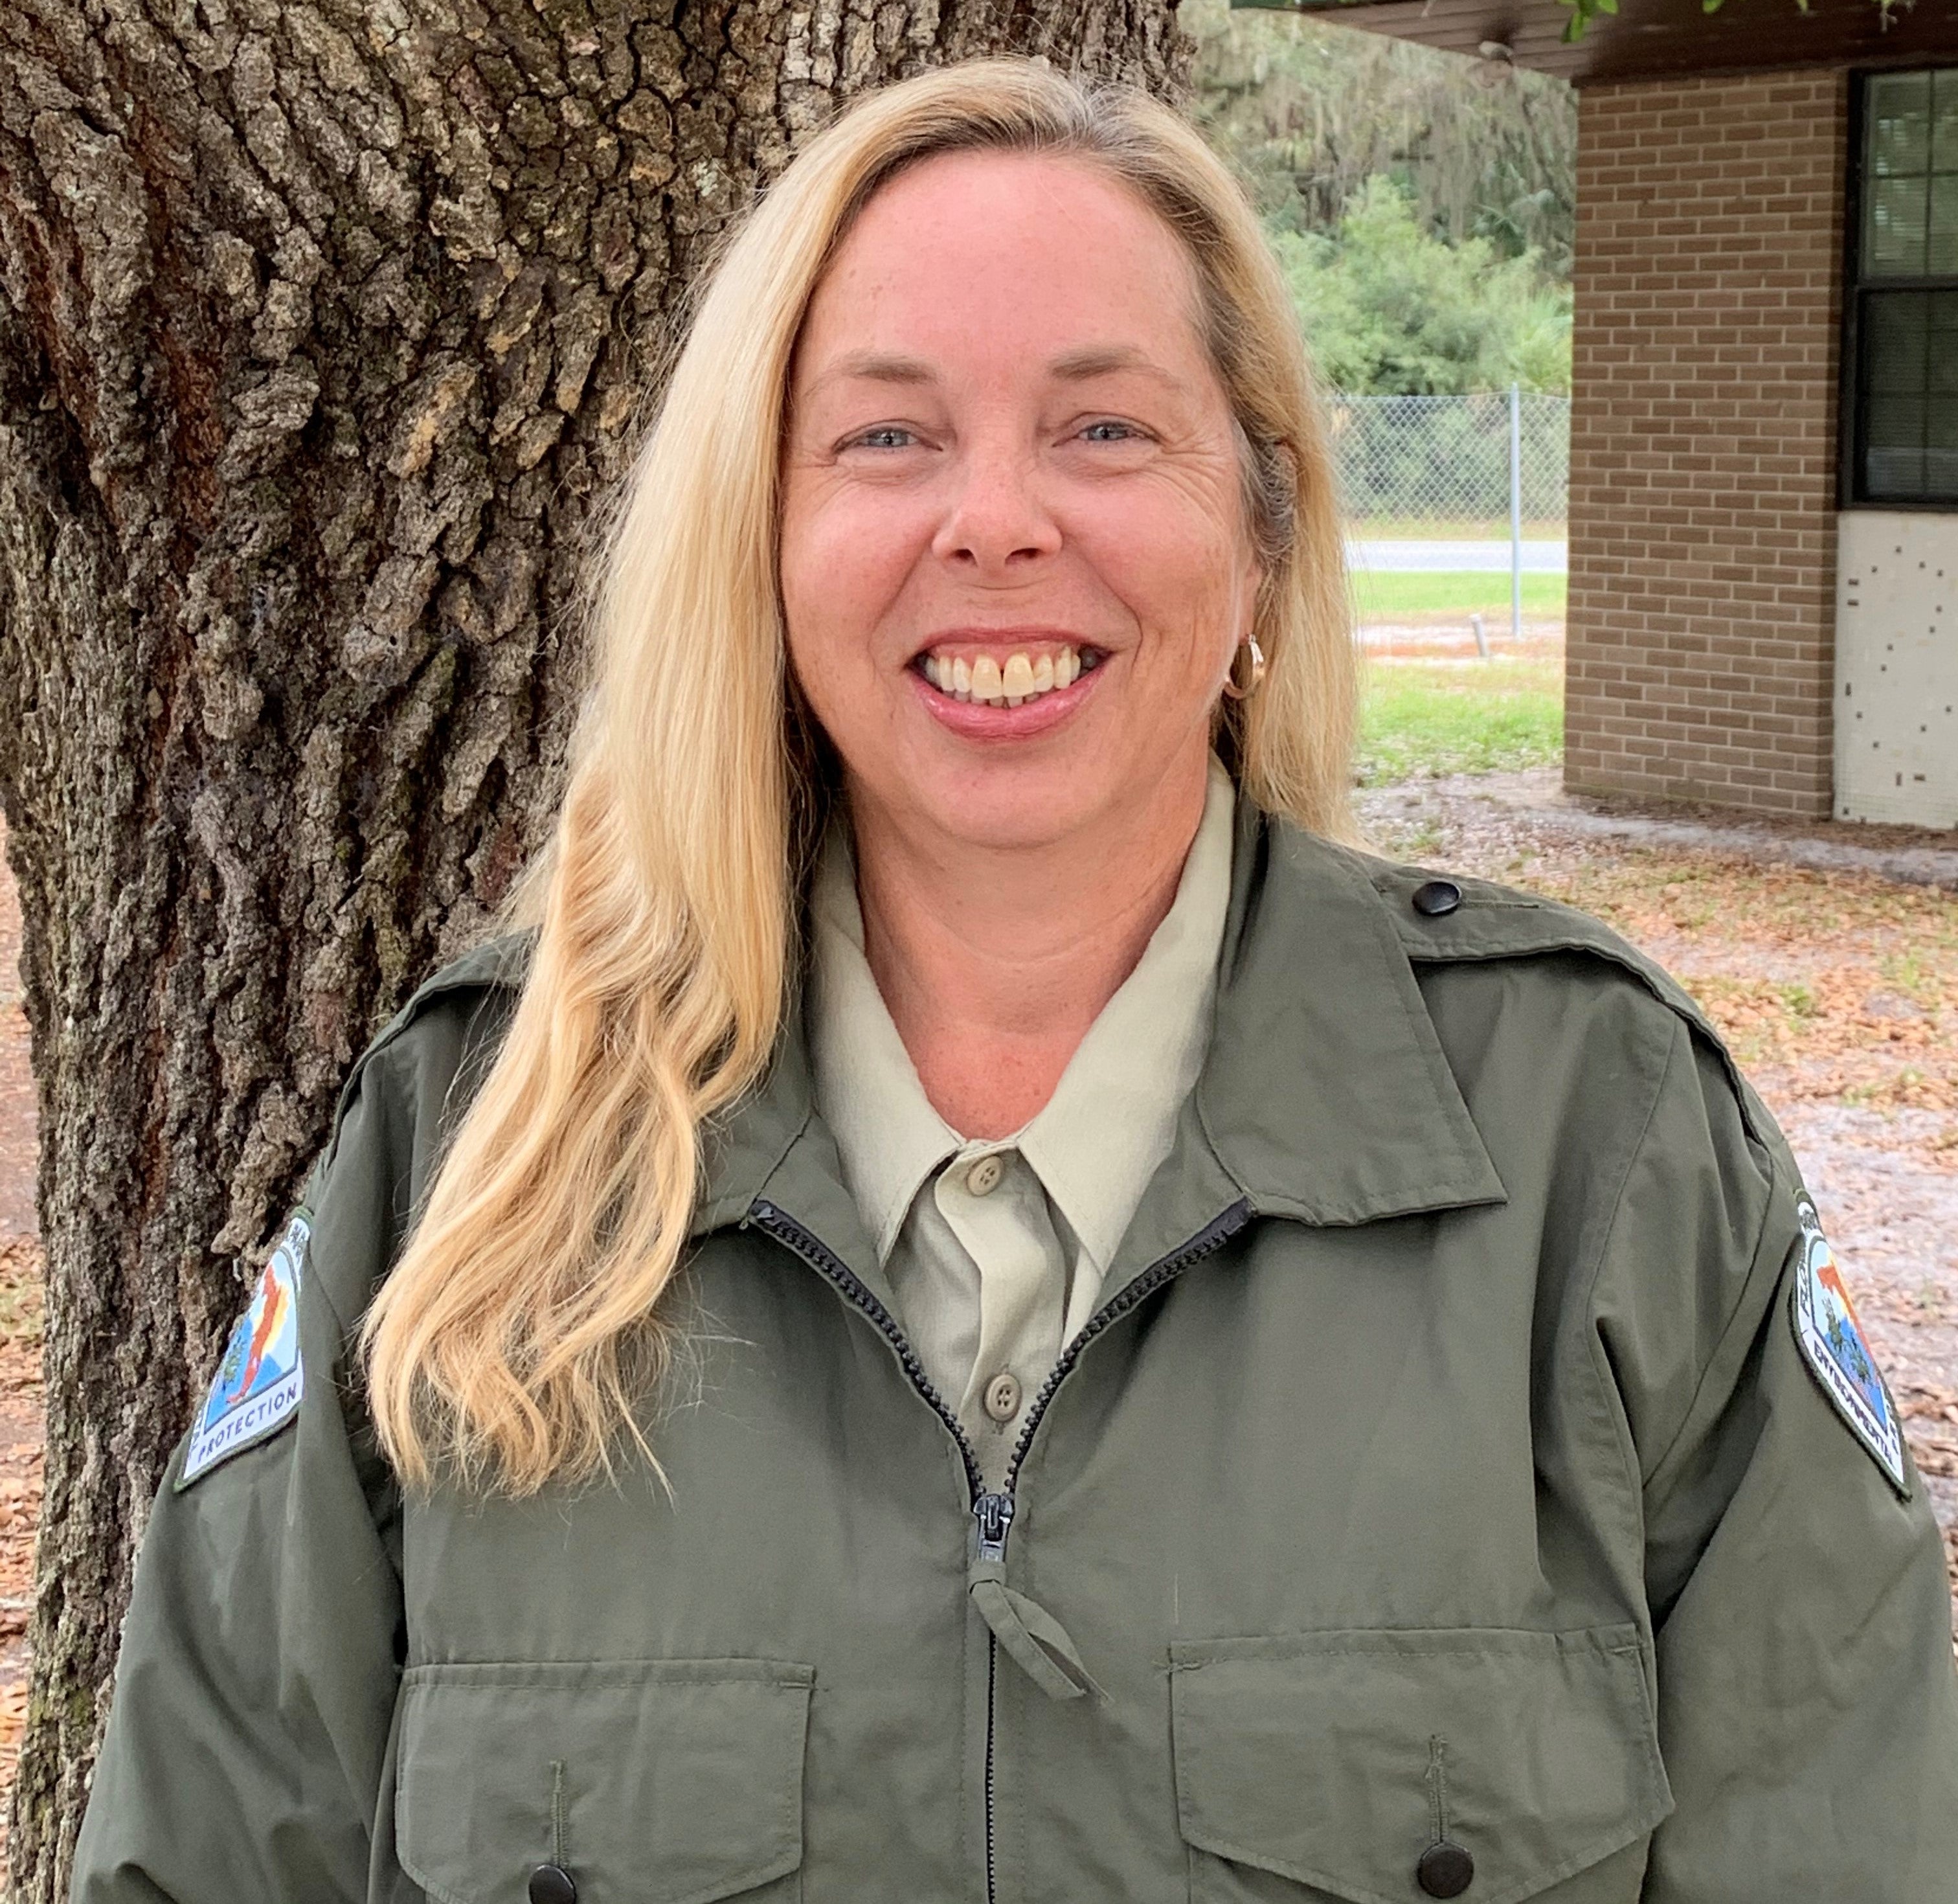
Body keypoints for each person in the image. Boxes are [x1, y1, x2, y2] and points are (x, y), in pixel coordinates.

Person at [72, 57, 1958, 1904]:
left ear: (1264, 533)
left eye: (1106, 429)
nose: (994, 521)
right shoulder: (468, 1158)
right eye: (886, 434)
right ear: (766, 541)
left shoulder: (1596, 1148)